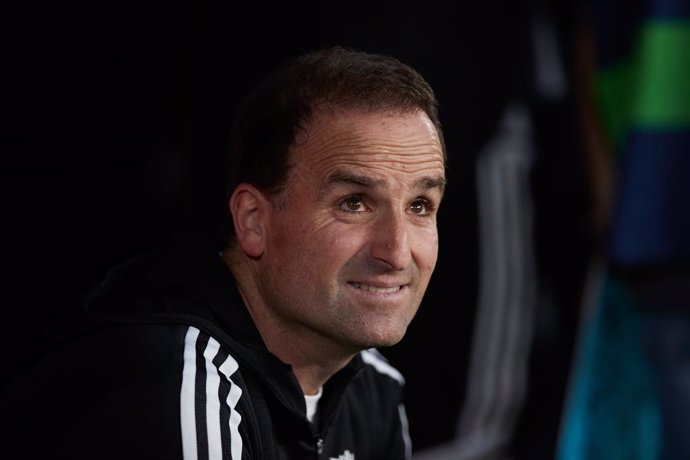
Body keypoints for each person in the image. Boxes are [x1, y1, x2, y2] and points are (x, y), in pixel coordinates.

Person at [0, 46, 446, 459]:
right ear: (254, 221)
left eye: (420, 206)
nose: (397, 250)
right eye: (354, 203)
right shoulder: (174, 385)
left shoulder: (374, 386)